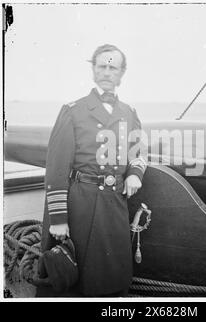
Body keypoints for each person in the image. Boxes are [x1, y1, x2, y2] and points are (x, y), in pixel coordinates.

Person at [39, 44, 147, 297]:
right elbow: (55, 168)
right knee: (75, 280)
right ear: (93, 70)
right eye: (102, 66)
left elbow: (140, 152)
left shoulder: (129, 113)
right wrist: (58, 220)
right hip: (81, 206)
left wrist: (135, 173)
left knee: (112, 276)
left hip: (114, 205)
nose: (107, 72)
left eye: (113, 67)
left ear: (122, 73)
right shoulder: (72, 110)